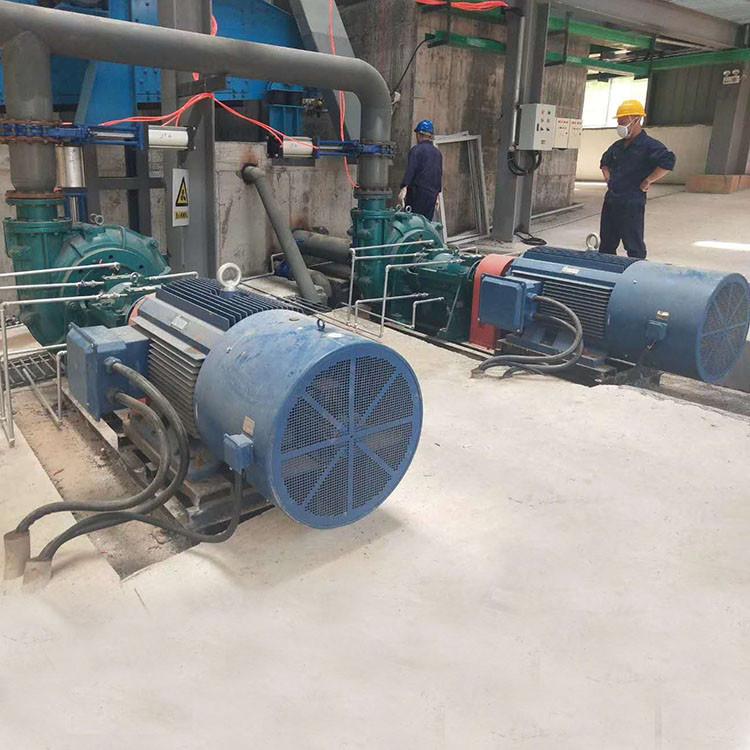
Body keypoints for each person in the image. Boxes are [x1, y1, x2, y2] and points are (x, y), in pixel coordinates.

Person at [599, 100, 676, 259]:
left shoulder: (649, 146)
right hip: (612, 200)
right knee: (607, 243)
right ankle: (606, 268)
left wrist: (649, 180)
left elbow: (668, 162)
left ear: (637, 120)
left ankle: (636, 269)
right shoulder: (617, 146)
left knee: (633, 243)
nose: (620, 125)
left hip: (632, 201)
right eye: (619, 122)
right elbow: (604, 162)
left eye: (624, 122)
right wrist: (609, 179)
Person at [397, 120, 443, 221]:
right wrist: (437, 194)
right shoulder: (437, 153)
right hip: (432, 195)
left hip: (417, 193)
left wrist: (404, 187)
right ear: (430, 136)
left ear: (419, 134)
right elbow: (438, 174)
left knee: (412, 223)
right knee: (426, 223)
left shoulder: (416, 150)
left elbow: (411, 170)